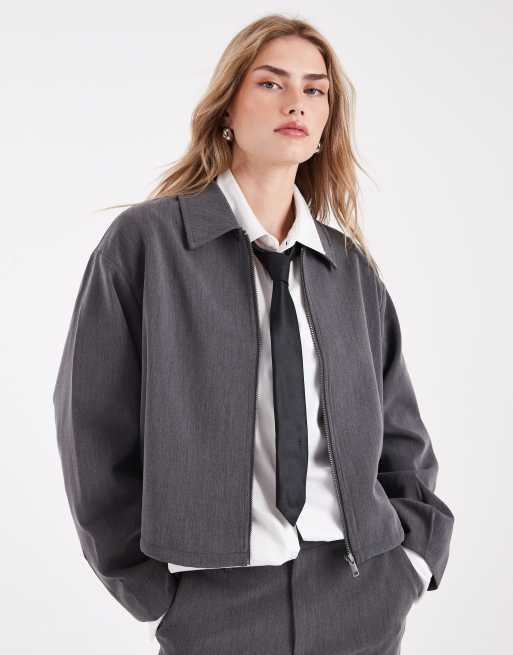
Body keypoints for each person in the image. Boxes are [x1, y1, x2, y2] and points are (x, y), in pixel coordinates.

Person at [52, 13, 455, 655]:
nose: (296, 102)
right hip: (213, 604)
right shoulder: (147, 246)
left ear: (326, 121)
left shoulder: (349, 270)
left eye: (315, 89)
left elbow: (402, 432)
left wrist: (412, 560)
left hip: (362, 591)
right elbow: (92, 430)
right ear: (227, 110)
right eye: (271, 83)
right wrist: (152, 594)